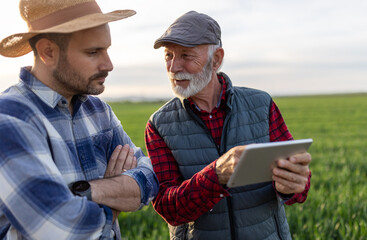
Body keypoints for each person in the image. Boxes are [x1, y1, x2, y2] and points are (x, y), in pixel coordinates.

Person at [145, 11, 312, 240]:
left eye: (186, 55)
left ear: (216, 59)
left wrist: (293, 184)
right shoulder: (159, 125)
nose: (173, 67)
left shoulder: (261, 104)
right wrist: (215, 175)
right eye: (168, 55)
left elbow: (297, 189)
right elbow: (168, 208)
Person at [0, 0, 158, 239]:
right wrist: (117, 196)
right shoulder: (11, 118)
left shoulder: (98, 111)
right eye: (93, 52)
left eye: (107, 49)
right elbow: (61, 229)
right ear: (48, 52)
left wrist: (85, 191)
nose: (109, 64)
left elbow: (151, 176)